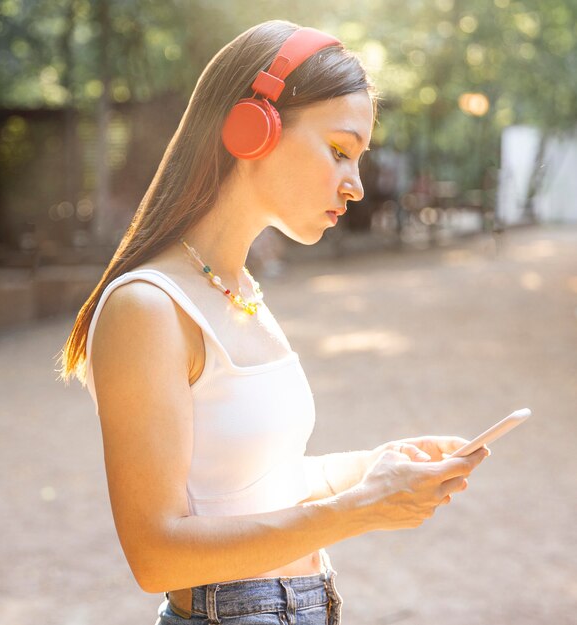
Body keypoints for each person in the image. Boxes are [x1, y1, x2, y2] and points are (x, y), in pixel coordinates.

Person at [57, 20, 489, 625]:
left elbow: (252, 485)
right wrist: (359, 510)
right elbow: (155, 556)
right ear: (252, 128)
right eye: (340, 151)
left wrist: (380, 466)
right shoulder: (147, 307)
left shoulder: (241, 288)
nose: (357, 185)